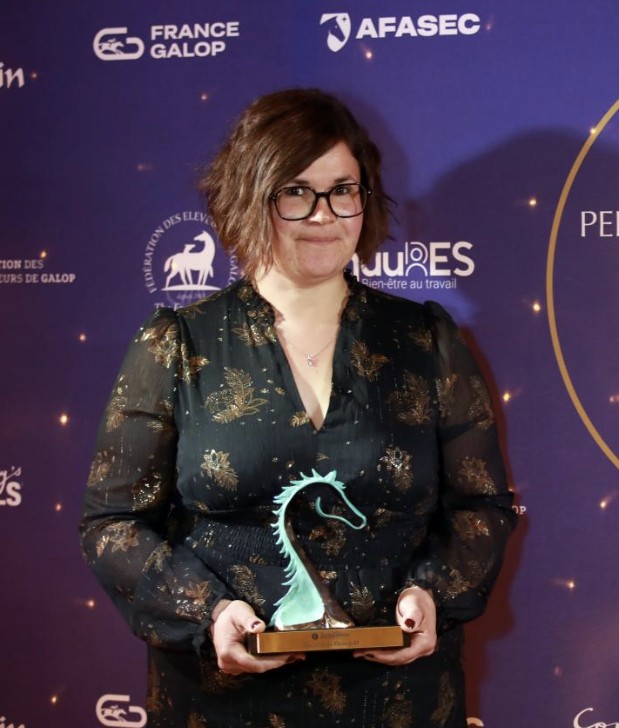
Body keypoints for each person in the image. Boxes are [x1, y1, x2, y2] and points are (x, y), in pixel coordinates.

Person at [80, 88, 516, 727]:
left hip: (396, 701)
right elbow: (113, 522)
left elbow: (482, 507)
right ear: (250, 197)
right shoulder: (177, 344)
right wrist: (207, 613)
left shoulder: (425, 340)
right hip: (222, 702)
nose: (324, 215)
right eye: (296, 192)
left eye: (343, 190)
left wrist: (433, 594)